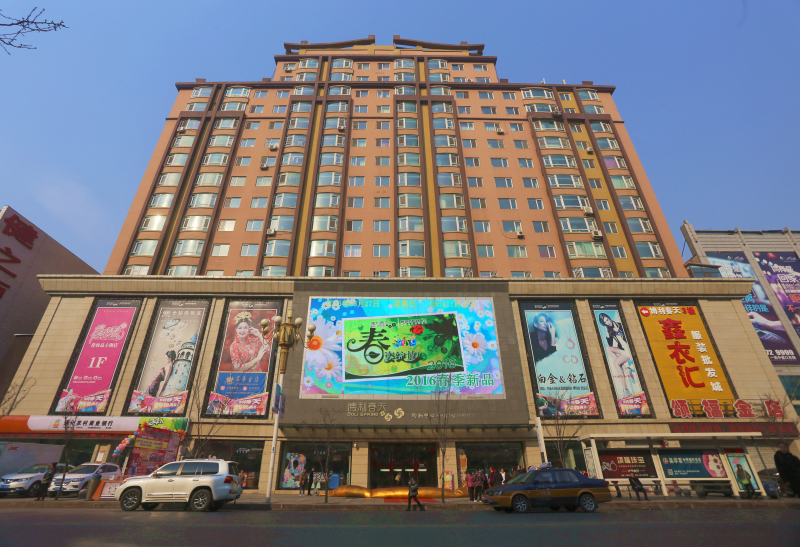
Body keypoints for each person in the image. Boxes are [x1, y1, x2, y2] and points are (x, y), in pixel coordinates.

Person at [598, 313, 637, 397]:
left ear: (609, 318)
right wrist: (607, 332)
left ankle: (625, 389)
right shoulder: (610, 329)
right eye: (605, 322)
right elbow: (611, 344)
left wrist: (620, 332)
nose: (608, 322)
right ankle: (625, 368)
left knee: (616, 363)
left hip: (628, 349)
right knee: (608, 348)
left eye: (607, 320)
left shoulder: (620, 325)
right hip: (623, 350)